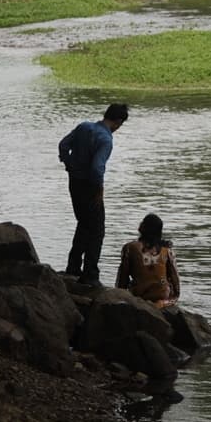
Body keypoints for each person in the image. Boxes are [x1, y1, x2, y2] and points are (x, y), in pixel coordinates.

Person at [58, 103, 130, 287]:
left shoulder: (84, 127)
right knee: (97, 230)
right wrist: (99, 190)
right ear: (118, 122)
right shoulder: (105, 139)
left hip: (74, 182)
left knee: (83, 223)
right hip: (90, 186)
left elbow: (63, 145)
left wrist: (69, 164)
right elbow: (97, 169)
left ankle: (73, 266)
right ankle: (90, 274)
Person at [116, 213, 180, 308]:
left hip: (139, 295)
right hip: (162, 297)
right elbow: (176, 288)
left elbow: (121, 283)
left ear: (143, 227)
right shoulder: (167, 250)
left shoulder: (130, 248)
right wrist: (164, 303)